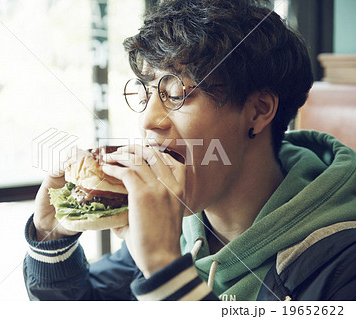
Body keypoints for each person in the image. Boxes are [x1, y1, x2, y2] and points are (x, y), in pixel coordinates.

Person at [23, 0, 356, 301]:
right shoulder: (174, 222)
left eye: (177, 94)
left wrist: (164, 268)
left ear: (258, 111)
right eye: (146, 93)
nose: (148, 120)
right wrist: (52, 240)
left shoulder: (343, 263)